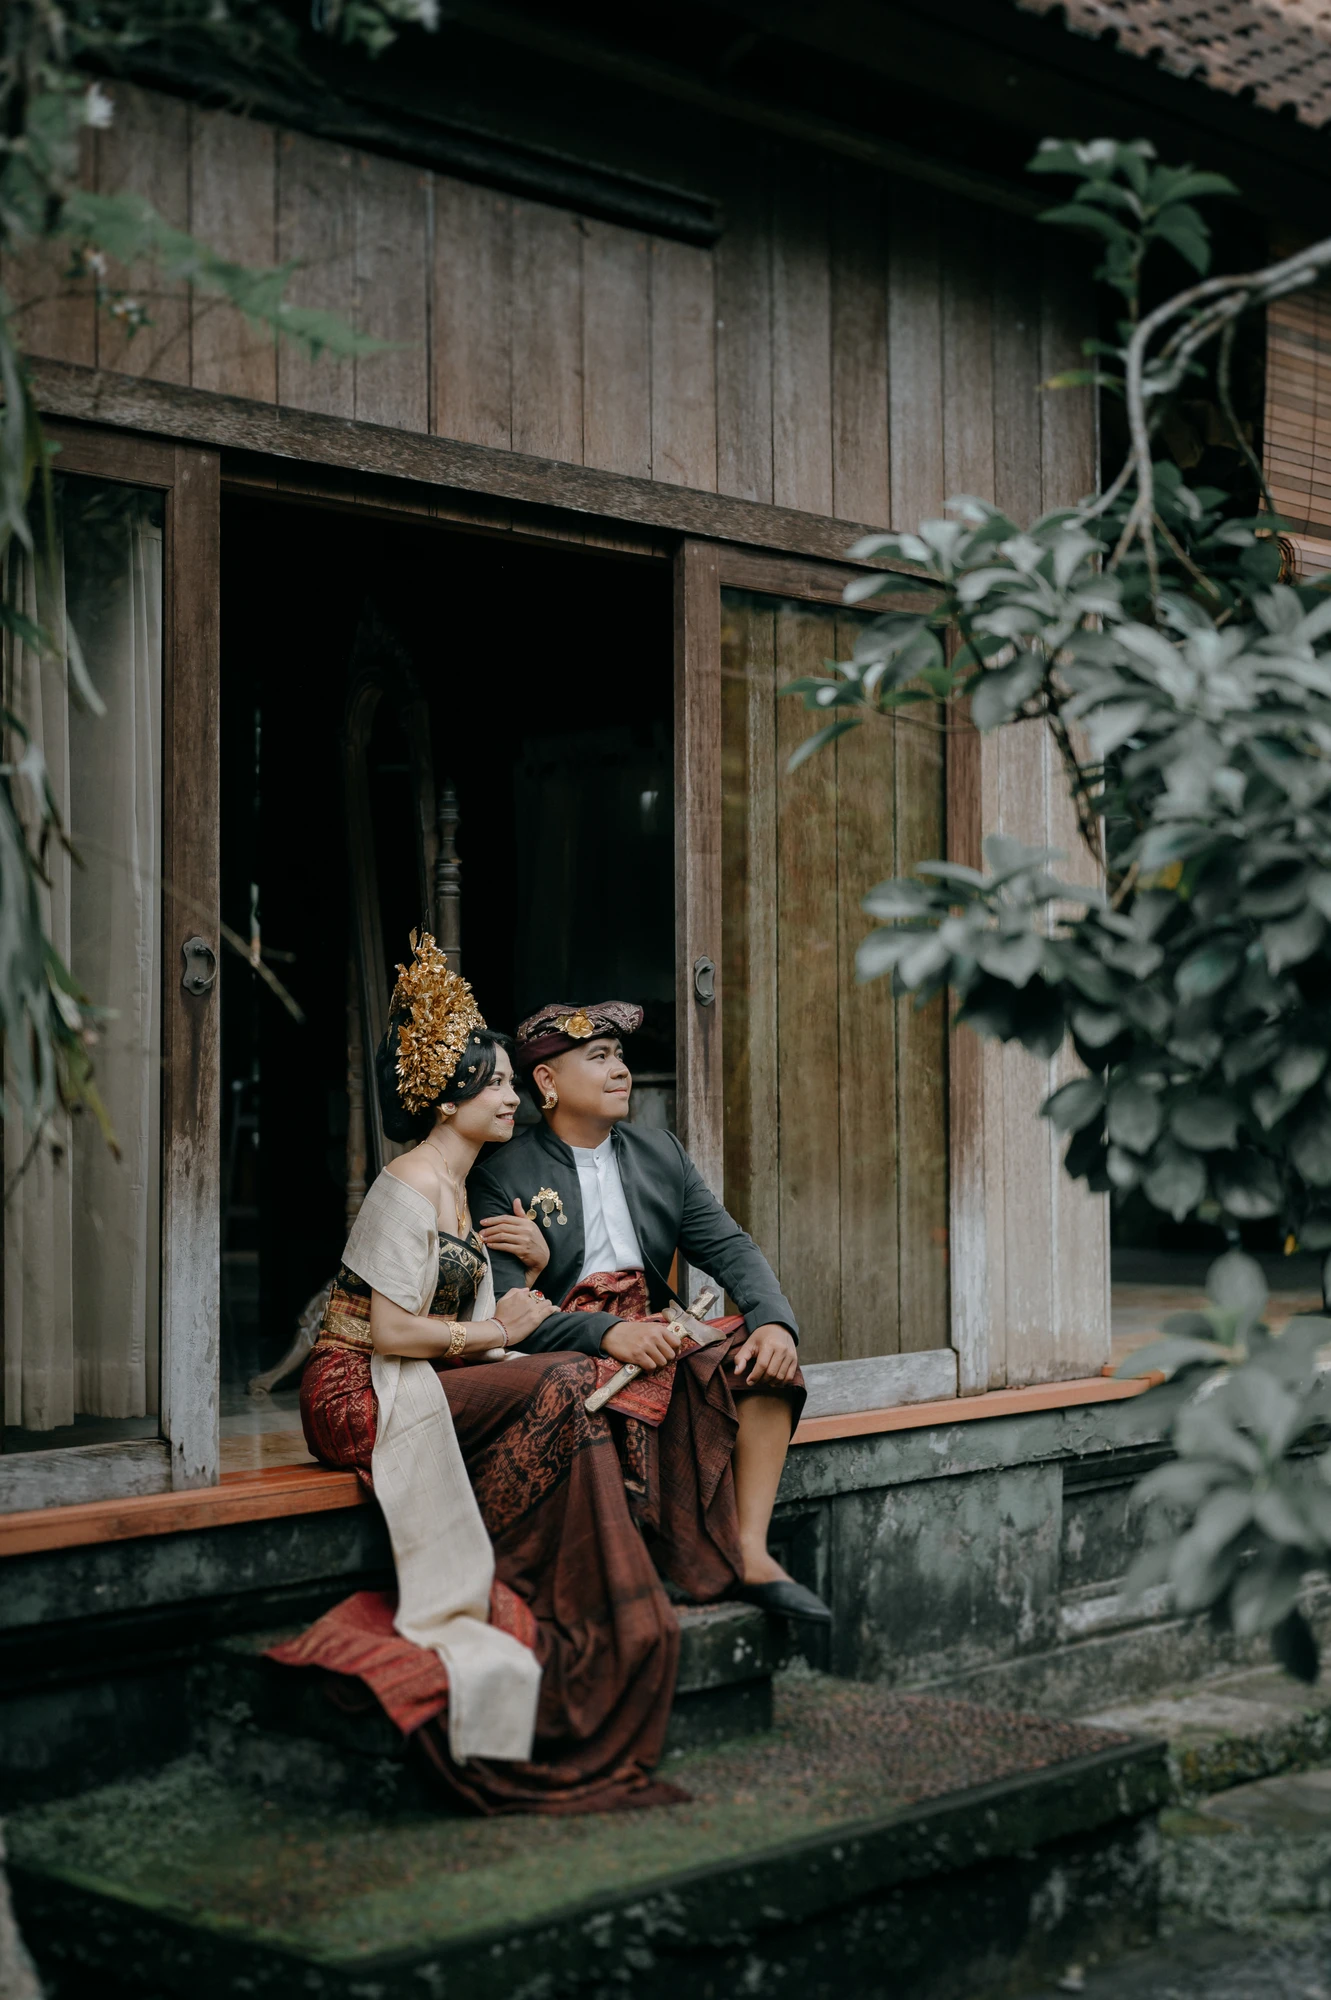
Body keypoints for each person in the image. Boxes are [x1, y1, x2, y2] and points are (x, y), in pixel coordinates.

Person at [278, 935, 687, 1815]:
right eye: (496, 1084)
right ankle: (541, 1565)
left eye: (509, 1082)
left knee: (569, 1374)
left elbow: (479, 1319)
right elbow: (391, 1329)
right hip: (355, 1391)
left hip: (417, 1376)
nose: (512, 1097)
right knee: (567, 1378)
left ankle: (594, 1589)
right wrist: (500, 1331)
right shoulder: (408, 1182)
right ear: (449, 1098)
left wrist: (528, 1279)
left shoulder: (465, 1191)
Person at [468, 1001, 831, 1625]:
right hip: (568, 1345)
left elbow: (729, 1246)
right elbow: (508, 1314)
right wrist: (609, 1331)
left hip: (657, 1333)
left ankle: (750, 1551)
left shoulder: (660, 1152)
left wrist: (774, 1319)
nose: (621, 1070)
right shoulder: (500, 1174)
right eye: (599, 1057)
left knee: (762, 1359)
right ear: (548, 1081)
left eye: (620, 1056)